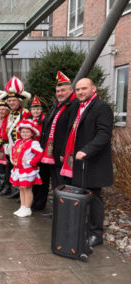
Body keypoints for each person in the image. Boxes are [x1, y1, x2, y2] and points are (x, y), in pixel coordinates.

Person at [61, 78, 113, 247]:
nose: (80, 92)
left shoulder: (101, 107)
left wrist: (87, 150)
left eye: (84, 88)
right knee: (81, 196)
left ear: (93, 89)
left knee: (94, 198)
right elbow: (70, 132)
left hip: (93, 162)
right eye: (77, 89)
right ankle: (84, 228)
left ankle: (96, 234)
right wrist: (65, 152)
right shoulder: (77, 106)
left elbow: (104, 134)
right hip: (77, 162)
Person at [40, 72, 78, 191]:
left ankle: (63, 209)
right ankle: (58, 209)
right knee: (56, 183)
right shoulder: (57, 105)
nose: (60, 93)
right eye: (57, 91)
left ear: (71, 90)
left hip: (62, 153)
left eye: (63, 90)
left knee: (63, 185)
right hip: (52, 152)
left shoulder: (74, 105)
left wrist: (63, 152)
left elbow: (71, 130)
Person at [0, 76, 31, 197]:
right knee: (10, 169)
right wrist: (1, 141)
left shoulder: (25, 113)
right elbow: (6, 129)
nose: (11, 103)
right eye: (9, 101)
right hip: (11, 146)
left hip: (21, 148)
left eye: (14, 101)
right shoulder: (9, 114)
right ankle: (9, 188)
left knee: (20, 170)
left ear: (19, 101)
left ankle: (18, 192)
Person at [10, 120, 43, 217]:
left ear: (32, 133)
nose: (25, 134)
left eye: (27, 132)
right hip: (18, 169)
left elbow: (40, 153)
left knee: (27, 189)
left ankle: (28, 208)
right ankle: (22, 206)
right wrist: (13, 159)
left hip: (27, 170)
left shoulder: (33, 143)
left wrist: (31, 162)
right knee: (21, 188)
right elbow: (13, 150)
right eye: (23, 132)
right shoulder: (18, 141)